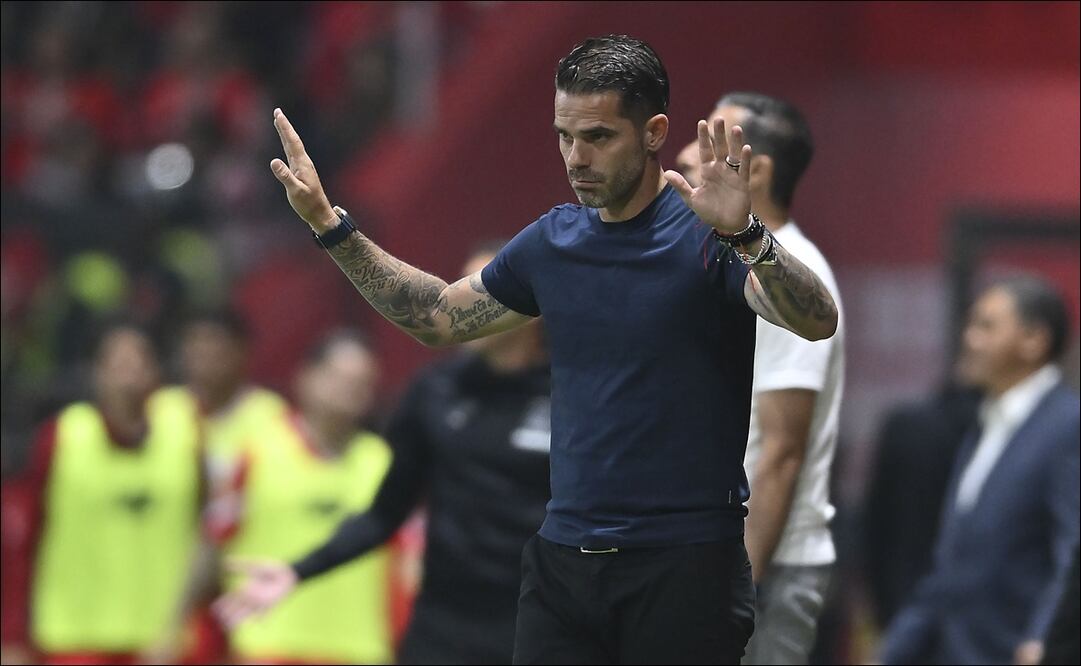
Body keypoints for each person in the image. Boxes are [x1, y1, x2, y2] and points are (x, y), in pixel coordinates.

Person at [228, 34, 838, 664]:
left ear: (654, 132)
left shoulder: (710, 238)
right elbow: (436, 317)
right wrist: (331, 226)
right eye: (564, 136)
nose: (576, 157)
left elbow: (817, 320)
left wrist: (748, 235)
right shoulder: (554, 242)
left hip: (684, 567)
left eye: (598, 137)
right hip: (564, 568)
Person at [217, 243, 552, 664]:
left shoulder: (573, 393)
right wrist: (299, 570)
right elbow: (385, 513)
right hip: (444, 629)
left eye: (483, 291)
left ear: (531, 306)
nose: (464, 303)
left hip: (538, 626)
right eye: (463, 288)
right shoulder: (435, 392)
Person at [674, 92, 845, 665]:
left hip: (765, 565)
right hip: (716, 559)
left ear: (758, 171)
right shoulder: (726, 260)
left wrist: (737, 589)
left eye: (710, 142)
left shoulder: (788, 277)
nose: (686, 153)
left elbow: (782, 451)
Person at [880, 276, 1080, 665]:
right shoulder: (985, 424)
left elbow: (1072, 552)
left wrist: (1042, 640)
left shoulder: (1068, 425)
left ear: (1033, 340)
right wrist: (893, 651)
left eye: (986, 326)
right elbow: (952, 567)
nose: (970, 339)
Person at [170, 330, 396, 665]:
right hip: (268, 643)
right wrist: (175, 624)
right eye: (339, 377)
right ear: (306, 377)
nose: (350, 390)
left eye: (362, 382)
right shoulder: (256, 451)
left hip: (358, 649)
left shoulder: (382, 463)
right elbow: (213, 541)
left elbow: (408, 561)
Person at [12, 321, 204, 664]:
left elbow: (210, 535)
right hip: (74, 637)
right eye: (116, 363)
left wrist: (188, 621)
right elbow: (25, 538)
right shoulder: (62, 436)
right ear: (95, 372)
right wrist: (12, 634)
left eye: (138, 362)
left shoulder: (187, 433)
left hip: (161, 642)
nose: (127, 375)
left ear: (157, 372)